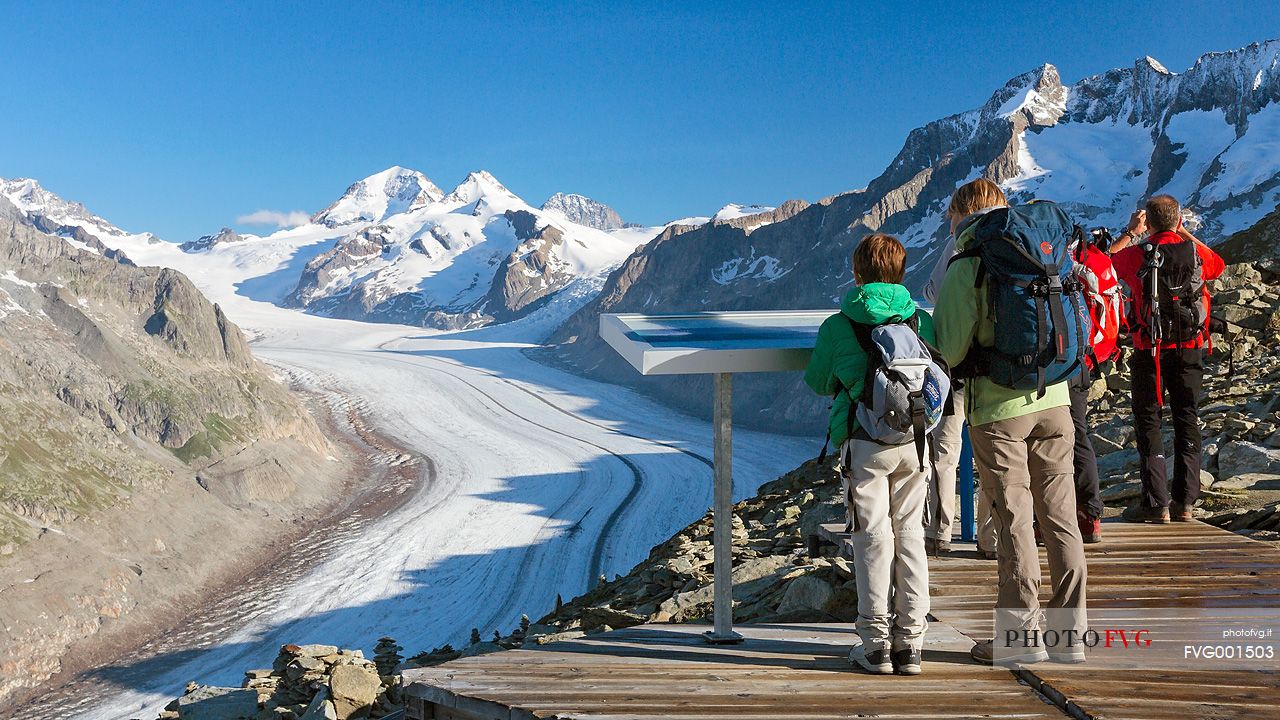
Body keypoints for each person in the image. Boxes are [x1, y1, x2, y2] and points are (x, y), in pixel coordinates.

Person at [933, 179, 1088, 664]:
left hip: (1000, 411)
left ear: (962, 215)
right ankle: (1069, 637)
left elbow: (951, 347)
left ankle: (1020, 639)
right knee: (1061, 516)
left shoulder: (969, 260)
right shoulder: (1041, 250)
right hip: (1057, 399)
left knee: (1014, 520)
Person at [805, 233, 940, 676]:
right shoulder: (920, 320)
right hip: (914, 442)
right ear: (901, 273)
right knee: (911, 536)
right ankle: (913, 644)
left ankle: (876, 644)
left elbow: (820, 382)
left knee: (871, 538)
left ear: (856, 272)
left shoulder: (837, 325)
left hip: (863, 443)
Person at [1111, 195, 1224, 522]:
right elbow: (1218, 263)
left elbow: (1104, 263)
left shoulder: (1137, 255)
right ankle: (1186, 502)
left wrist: (1132, 233)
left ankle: (1156, 503)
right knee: (1187, 415)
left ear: (1148, 221)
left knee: (1149, 420)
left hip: (1150, 349)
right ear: (1176, 220)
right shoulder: (1195, 252)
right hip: (1190, 347)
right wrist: (1184, 233)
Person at [923, 194, 999, 559]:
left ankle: (940, 533)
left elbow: (934, 291)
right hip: (1003, 372)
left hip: (958, 369)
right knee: (996, 455)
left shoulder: (960, 242)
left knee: (945, 452)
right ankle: (991, 537)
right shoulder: (1019, 239)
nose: (949, 222)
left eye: (951, 213)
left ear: (963, 210)